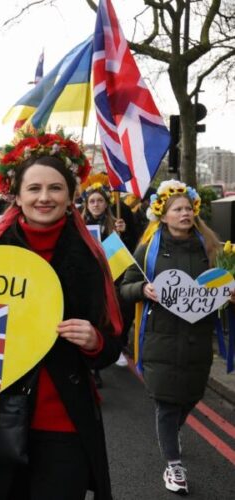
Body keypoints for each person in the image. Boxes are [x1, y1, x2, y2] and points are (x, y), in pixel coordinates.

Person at [0, 131, 123, 500]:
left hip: (63, 421)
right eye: (34, 188)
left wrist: (95, 340)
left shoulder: (90, 258)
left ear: (71, 195)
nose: (44, 197)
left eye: (55, 188)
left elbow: (111, 343)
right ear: (17, 194)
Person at [120, 180, 222, 496]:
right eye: (177, 209)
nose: (185, 213)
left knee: (190, 397)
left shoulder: (211, 248)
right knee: (165, 403)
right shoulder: (148, 249)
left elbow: (223, 284)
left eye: (188, 208)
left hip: (197, 339)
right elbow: (125, 287)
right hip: (160, 338)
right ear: (162, 216)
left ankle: (173, 432)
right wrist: (142, 289)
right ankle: (173, 465)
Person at [81, 181, 132, 374]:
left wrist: (123, 235)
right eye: (92, 201)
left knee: (117, 311)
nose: (95, 204)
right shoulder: (80, 224)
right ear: (87, 205)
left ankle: (115, 343)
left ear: (105, 203)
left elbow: (129, 250)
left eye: (99, 201)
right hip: (88, 277)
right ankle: (93, 370)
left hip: (112, 276)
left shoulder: (115, 223)